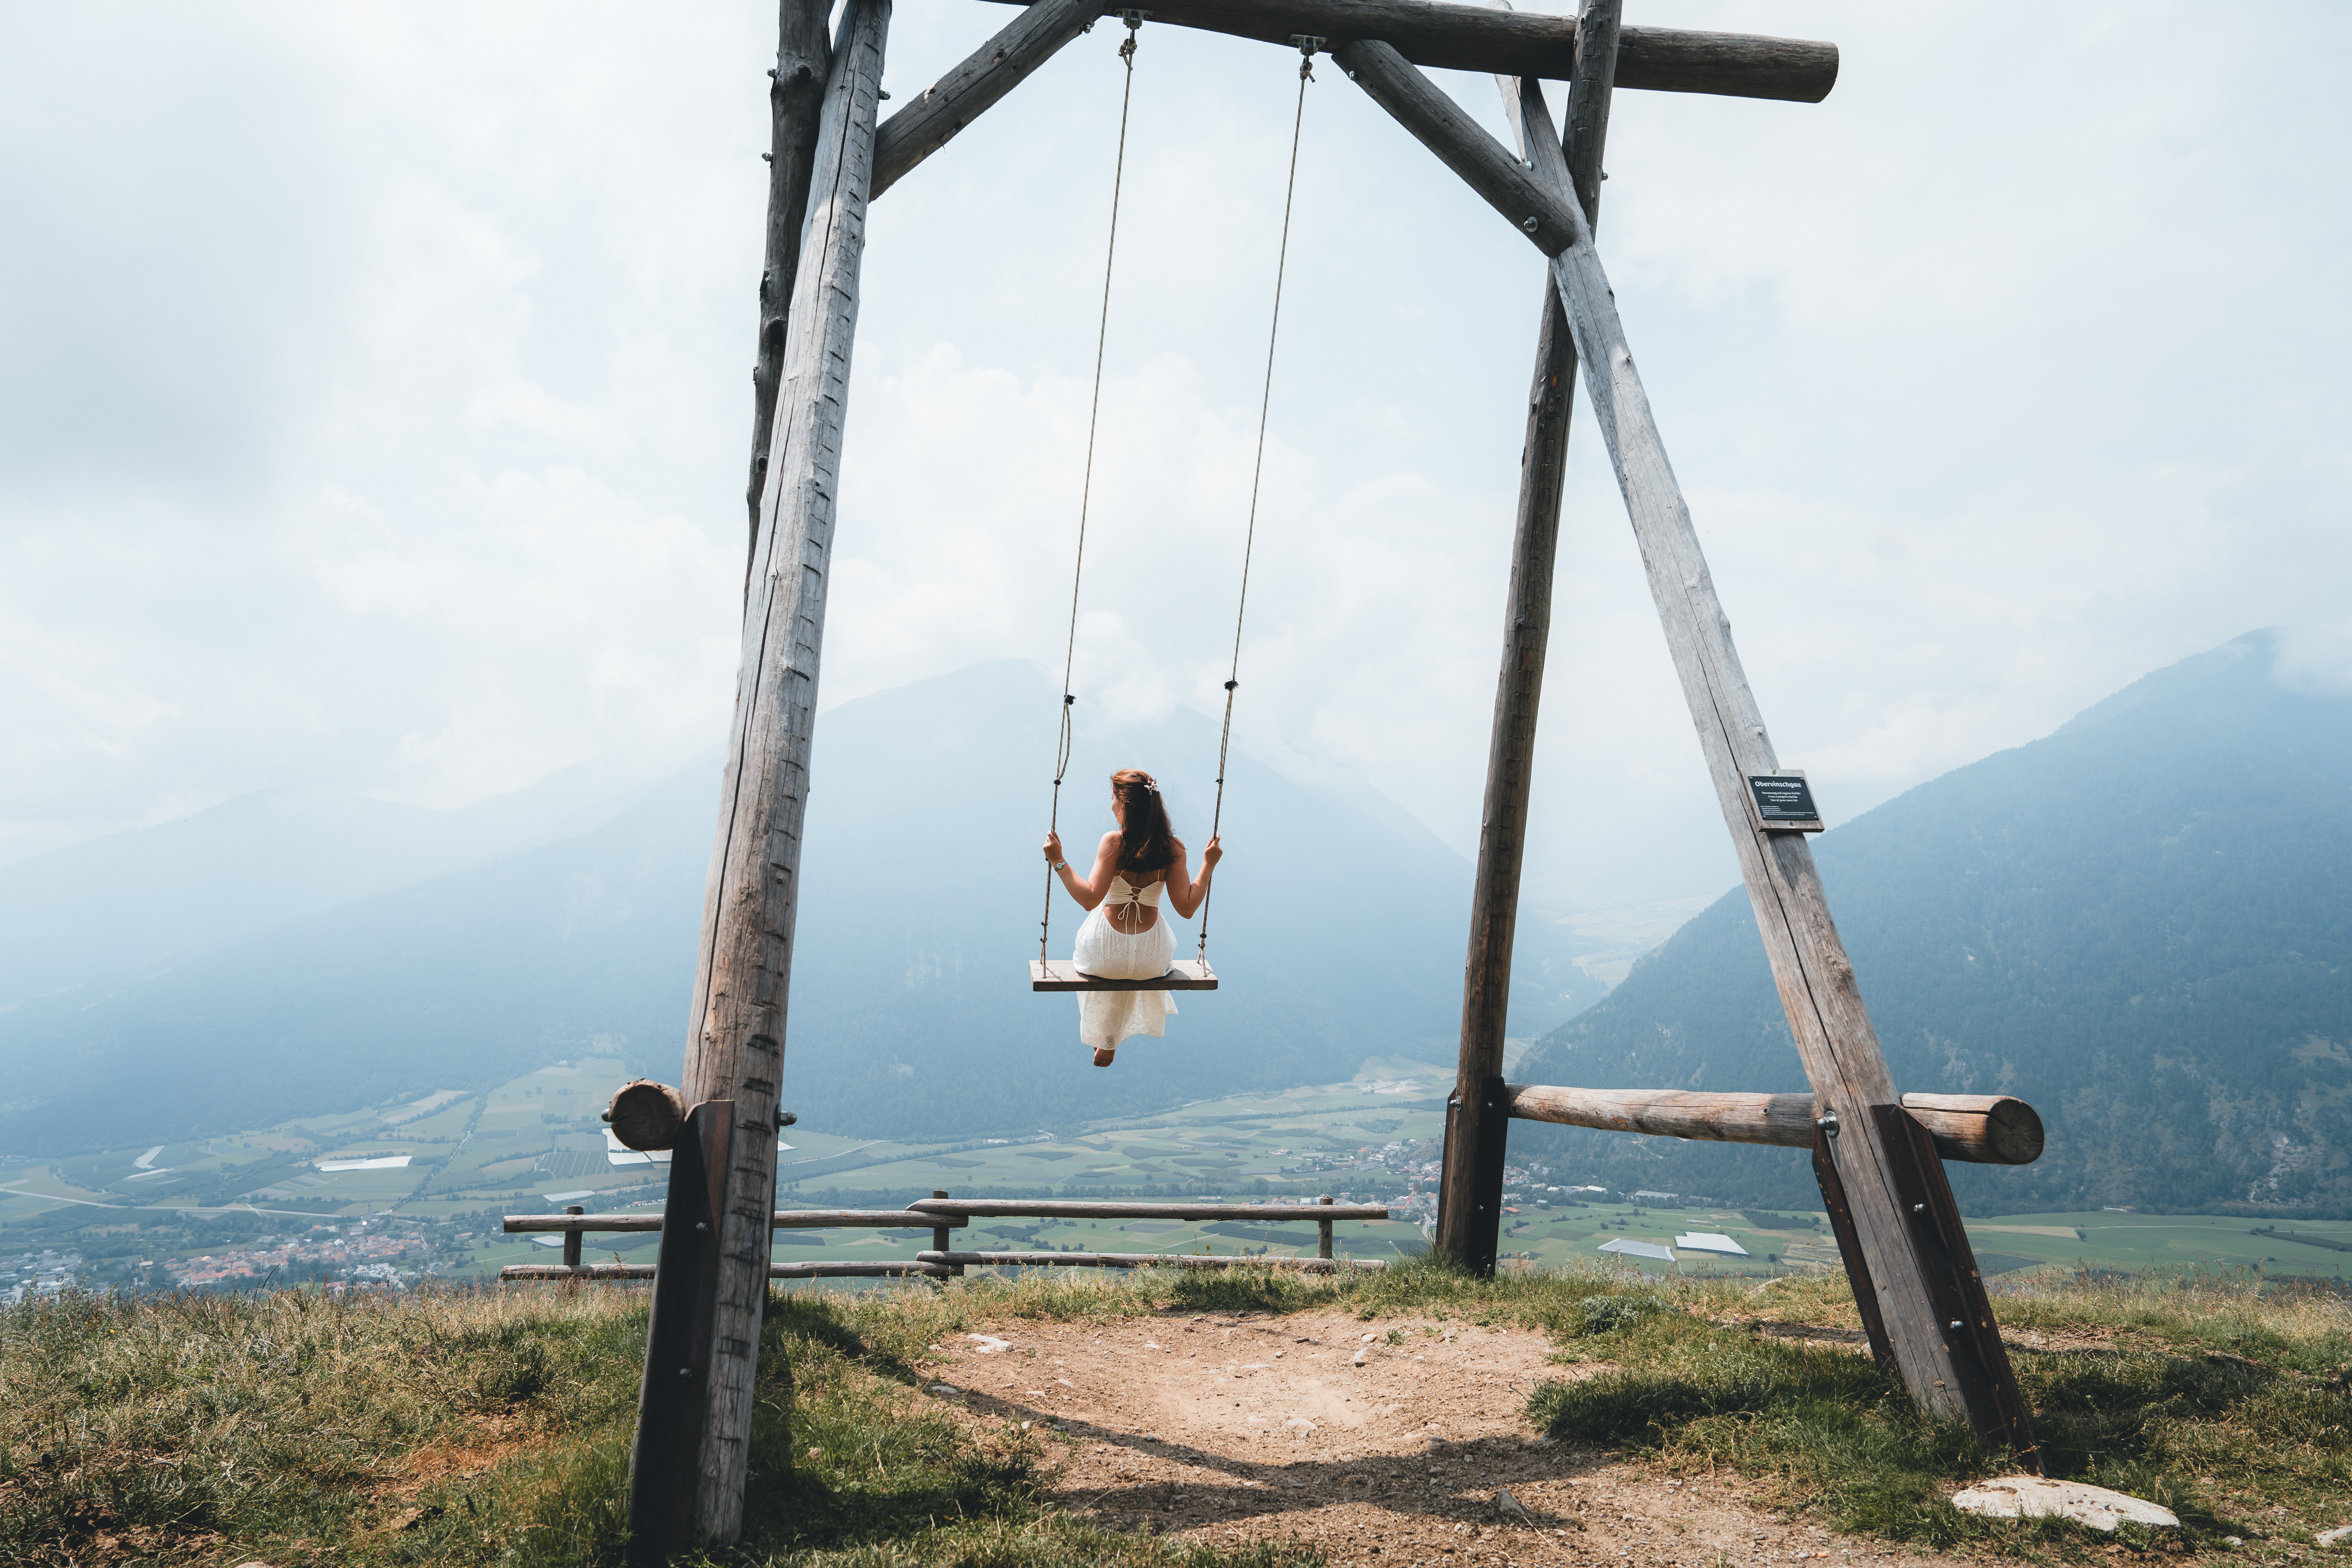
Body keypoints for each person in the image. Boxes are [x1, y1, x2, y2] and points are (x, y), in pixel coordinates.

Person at [1042, 768, 1223, 1067]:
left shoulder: (1114, 843)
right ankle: (1110, 1038)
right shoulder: (1174, 849)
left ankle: (1108, 1037)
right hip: (1153, 955)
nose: (1111, 805)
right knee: (1133, 963)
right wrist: (1209, 864)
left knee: (1113, 961)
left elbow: (1089, 899)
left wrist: (1057, 860)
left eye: (1113, 799)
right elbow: (1188, 908)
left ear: (1125, 805)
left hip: (1104, 951)